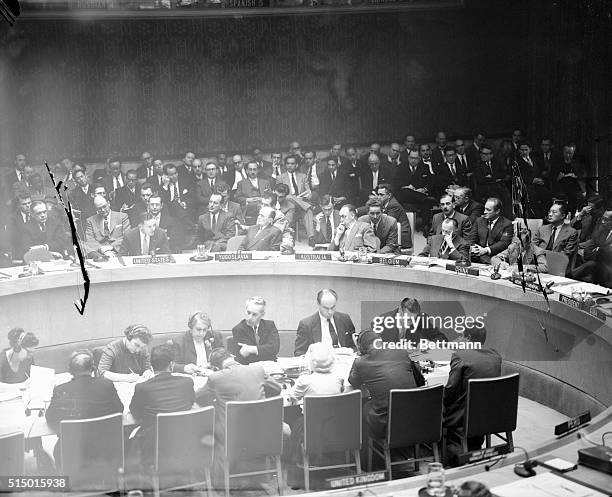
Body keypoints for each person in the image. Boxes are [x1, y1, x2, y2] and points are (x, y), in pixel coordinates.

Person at [45, 350, 123, 465]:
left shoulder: (60, 390)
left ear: (70, 371)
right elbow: (119, 409)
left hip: (70, 453)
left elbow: (50, 418)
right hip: (106, 450)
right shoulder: (106, 385)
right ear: (93, 368)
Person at [195, 348, 282, 448]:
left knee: (203, 428)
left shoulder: (215, 378)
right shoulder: (257, 370)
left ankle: (217, 462)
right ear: (232, 357)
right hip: (263, 430)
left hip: (231, 436)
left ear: (215, 368)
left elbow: (197, 397)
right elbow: (277, 388)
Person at [348, 331, 425, 443]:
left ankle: (365, 452)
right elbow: (420, 381)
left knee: (364, 407)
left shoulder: (360, 363)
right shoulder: (402, 352)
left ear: (362, 348)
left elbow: (353, 382)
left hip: (386, 423)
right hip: (415, 417)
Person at [286, 343, 344, 486]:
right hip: (335, 427)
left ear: (311, 362)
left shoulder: (305, 380)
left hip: (311, 429)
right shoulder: (338, 379)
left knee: (293, 418)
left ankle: (295, 474)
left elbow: (292, 397)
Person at [129, 344, 195, 469]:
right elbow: (191, 403)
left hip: (154, 446)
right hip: (186, 441)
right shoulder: (187, 382)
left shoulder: (142, 388)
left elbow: (135, 413)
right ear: (171, 365)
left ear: (152, 366)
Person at [444, 327, 502, 466]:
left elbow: (450, 391)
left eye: (461, 336)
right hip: (490, 415)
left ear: (468, 338)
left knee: (437, 406)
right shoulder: (495, 356)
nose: (459, 338)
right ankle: (474, 445)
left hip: (464, 417)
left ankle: (448, 454)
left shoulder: (460, 356)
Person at [294, 289, 356, 356]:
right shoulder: (306, 325)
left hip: (345, 362)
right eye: (326, 308)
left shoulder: (345, 319)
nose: (330, 312)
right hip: (320, 363)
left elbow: (354, 346)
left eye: (333, 307)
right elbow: (299, 353)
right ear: (318, 304)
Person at [372, 297, 448, 344]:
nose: (410, 323)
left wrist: (430, 344)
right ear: (400, 311)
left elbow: (442, 338)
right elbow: (372, 347)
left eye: (413, 319)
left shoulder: (421, 319)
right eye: (408, 319)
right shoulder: (381, 322)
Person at [231, 296, 280, 364]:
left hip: (270, 366)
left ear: (262, 314)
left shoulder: (270, 325)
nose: (249, 318)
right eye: (248, 312)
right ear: (245, 310)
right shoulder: (238, 329)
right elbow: (249, 358)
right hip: (250, 368)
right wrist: (265, 350)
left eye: (254, 314)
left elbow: (274, 348)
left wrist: (251, 349)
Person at [471, 198, 514, 264]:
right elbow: (471, 238)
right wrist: (473, 247)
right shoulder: (479, 221)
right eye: (485, 209)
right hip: (477, 255)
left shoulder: (507, 224)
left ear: (497, 211)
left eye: (488, 210)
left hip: (494, 257)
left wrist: (486, 250)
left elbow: (504, 243)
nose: (484, 212)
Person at [376, 184, 413, 250]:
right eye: (378, 194)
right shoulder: (384, 202)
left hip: (401, 239)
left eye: (381, 195)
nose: (378, 197)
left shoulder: (393, 205)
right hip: (394, 233)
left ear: (389, 195)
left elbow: (388, 223)